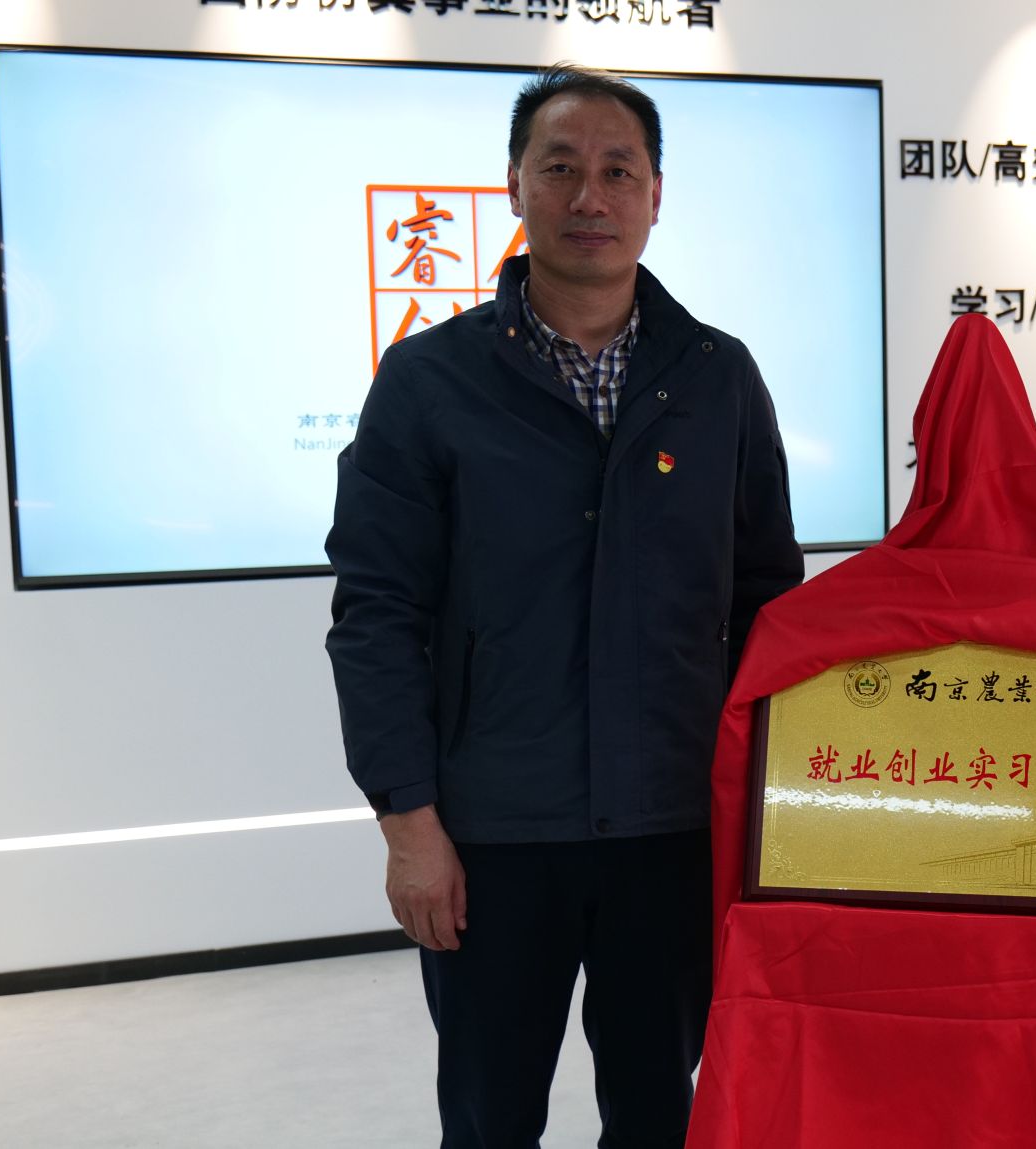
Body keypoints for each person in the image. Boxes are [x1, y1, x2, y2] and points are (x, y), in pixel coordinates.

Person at [325, 64, 804, 1148]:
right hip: (493, 836)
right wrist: (409, 827)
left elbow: (771, 604)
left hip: (672, 831)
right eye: (560, 168)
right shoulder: (428, 382)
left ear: (655, 195)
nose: (590, 196)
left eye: (618, 171)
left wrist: (767, 818)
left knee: (657, 1111)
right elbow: (377, 614)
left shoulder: (719, 379)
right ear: (514, 185)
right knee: (489, 1118)